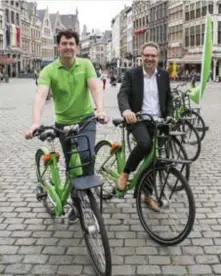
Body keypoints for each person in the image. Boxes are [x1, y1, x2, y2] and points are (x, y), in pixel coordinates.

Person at [25, 29, 109, 223]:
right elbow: (40, 96)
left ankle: (87, 194)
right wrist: (36, 122)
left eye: (71, 44)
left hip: (86, 120)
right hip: (63, 124)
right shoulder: (49, 70)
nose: (68, 47)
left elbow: (95, 87)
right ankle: (76, 201)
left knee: (86, 156)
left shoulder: (86, 64)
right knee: (72, 165)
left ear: (77, 47)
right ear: (58, 46)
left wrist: (101, 110)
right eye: (64, 43)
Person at [117, 41, 173, 211]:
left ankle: (147, 195)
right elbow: (123, 94)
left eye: (153, 56)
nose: (150, 58)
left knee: (154, 159)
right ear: (142, 57)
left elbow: (168, 98)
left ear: (158, 57)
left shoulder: (163, 75)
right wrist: (127, 110)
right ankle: (126, 172)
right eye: (147, 55)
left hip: (158, 121)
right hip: (138, 119)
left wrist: (170, 115)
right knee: (145, 144)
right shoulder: (132, 74)